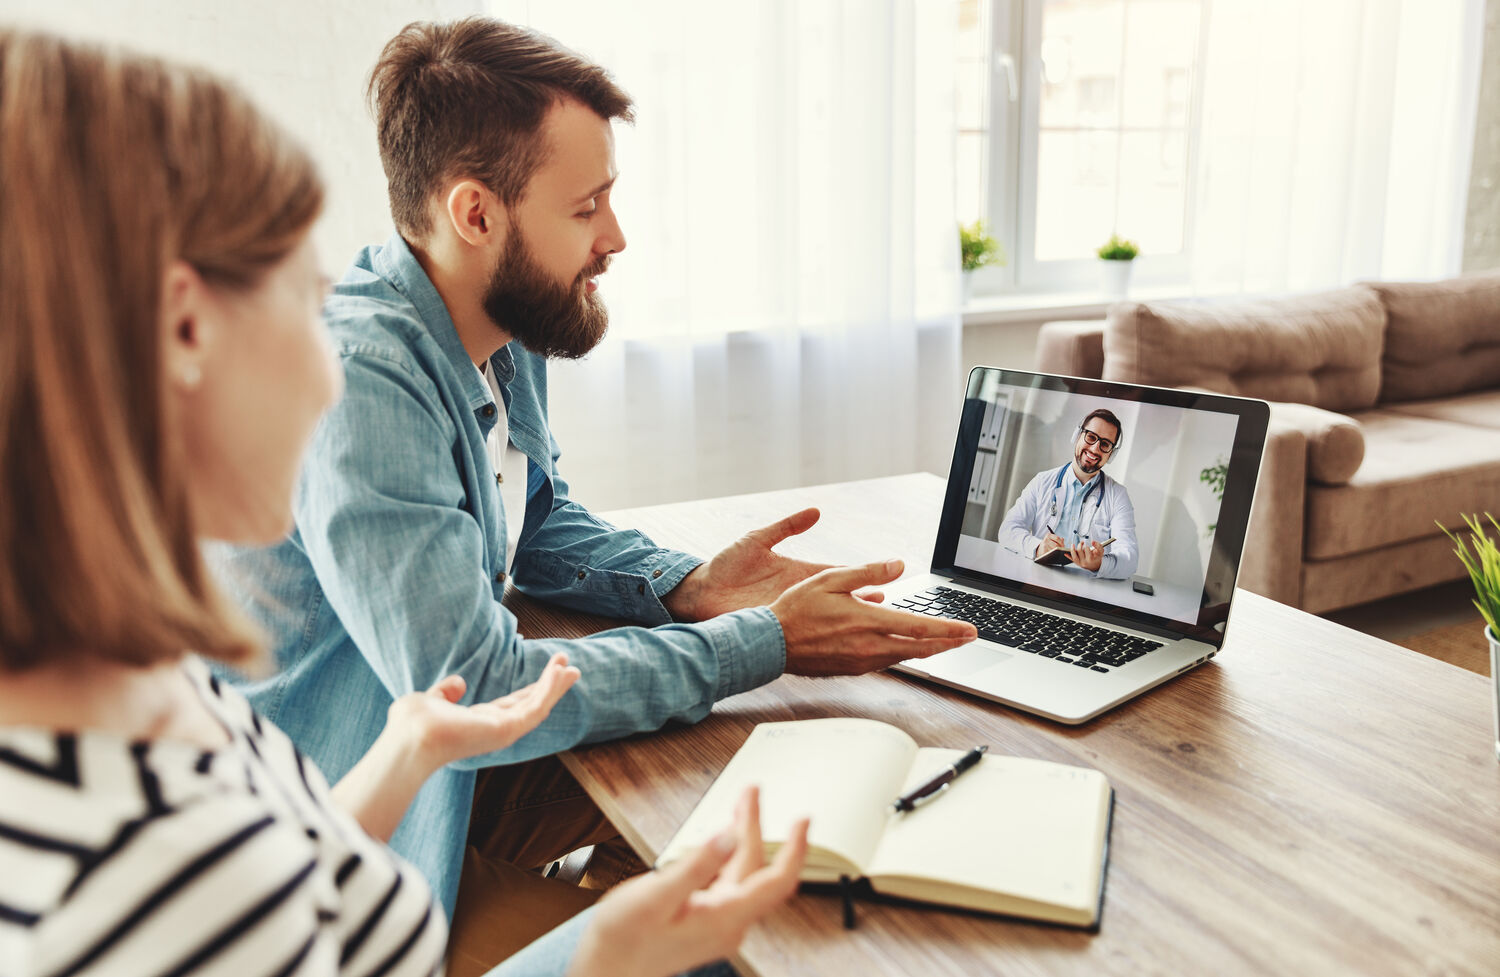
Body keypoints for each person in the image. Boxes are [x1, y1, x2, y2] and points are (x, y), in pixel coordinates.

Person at [0, 29, 807, 977]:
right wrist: (599, 957)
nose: (324, 380)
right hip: (415, 880)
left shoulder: (128, 695)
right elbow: (266, 912)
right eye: (303, 298)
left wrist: (409, 747)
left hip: (400, 819)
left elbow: (285, 881)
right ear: (184, 331)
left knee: (723, 791)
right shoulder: (149, 863)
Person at [208, 14, 976, 956]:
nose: (615, 237)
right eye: (586, 207)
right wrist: (761, 643)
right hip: (339, 846)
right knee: (726, 936)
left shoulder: (494, 324)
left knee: (748, 804)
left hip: (449, 783)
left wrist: (684, 587)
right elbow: (475, 689)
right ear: (475, 214)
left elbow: (533, 523)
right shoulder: (363, 383)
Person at [998, 408, 1139, 580]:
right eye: (1091, 437)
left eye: (1105, 444)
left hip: (1087, 592)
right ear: (1077, 436)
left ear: (1111, 454)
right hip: (1037, 580)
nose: (1095, 449)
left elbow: (1130, 559)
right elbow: (1007, 530)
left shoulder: (1118, 496)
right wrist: (1038, 547)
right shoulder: (1042, 481)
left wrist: (1099, 563)